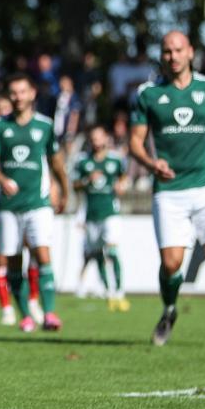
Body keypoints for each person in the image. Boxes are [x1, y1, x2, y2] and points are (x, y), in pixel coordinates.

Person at [129, 31, 205, 347]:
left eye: (178, 50)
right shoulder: (148, 93)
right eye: (167, 51)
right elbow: (135, 143)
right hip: (169, 190)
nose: (173, 56)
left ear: (190, 52)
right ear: (161, 55)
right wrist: (151, 163)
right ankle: (169, 310)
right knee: (171, 263)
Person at [0, 73, 69, 332]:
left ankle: (50, 313)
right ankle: (25, 315)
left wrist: (64, 190)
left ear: (32, 94)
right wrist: (1, 179)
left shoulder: (45, 126)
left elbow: (56, 162)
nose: (18, 97)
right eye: (13, 92)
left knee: (42, 254)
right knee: (13, 261)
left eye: (22, 91)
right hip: (9, 206)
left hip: (38, 203)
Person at [0, 96, 43, 326]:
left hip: (29, 200)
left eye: (6, 108)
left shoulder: (29, 133)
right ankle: (6, 308)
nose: (3, 112)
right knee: (2, 257)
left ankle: (33, 300)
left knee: (34, 251)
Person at [72, 125, 129, 310]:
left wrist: (121, 185)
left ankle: (119, 290)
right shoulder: (83, 160)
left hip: (110, 212)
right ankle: (108, 291)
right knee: (97, 255)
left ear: (106, 138)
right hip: (91, 214)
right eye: (93, 138)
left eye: (99, 138)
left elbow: (124, 177)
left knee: (112, 251)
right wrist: (87, 180)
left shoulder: (115, 159)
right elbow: (74, 184)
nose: (96, 142)